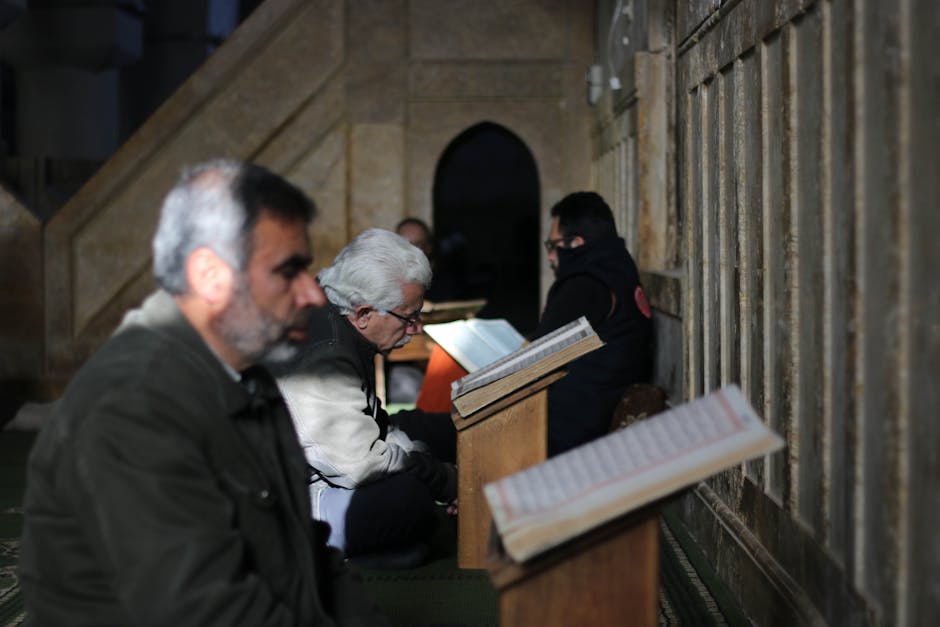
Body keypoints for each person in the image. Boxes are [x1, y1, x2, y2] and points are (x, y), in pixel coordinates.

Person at [18, 160, 388, 626]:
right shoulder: (131, 407)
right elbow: (208, 611)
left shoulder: (247, 374)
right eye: (288, 271)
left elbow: (305, 552)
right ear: (211, 276)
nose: (313, 296)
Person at [273, 228, 457, 566]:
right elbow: (362, 465)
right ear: (363, 314)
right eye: (409, 317)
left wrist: (426, 458)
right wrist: (444, 480)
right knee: (410, 500)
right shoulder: (323, 356)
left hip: (327, 468)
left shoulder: (336, 318)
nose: (416, 328)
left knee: (439, 428)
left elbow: (374, 425)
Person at [531, 191, 653, 456]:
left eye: (552, 247)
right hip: (592, 417)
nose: (550, 257)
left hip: (565, 433)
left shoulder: (584, 285)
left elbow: (533, 363)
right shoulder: (616, 270)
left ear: (575, 243)